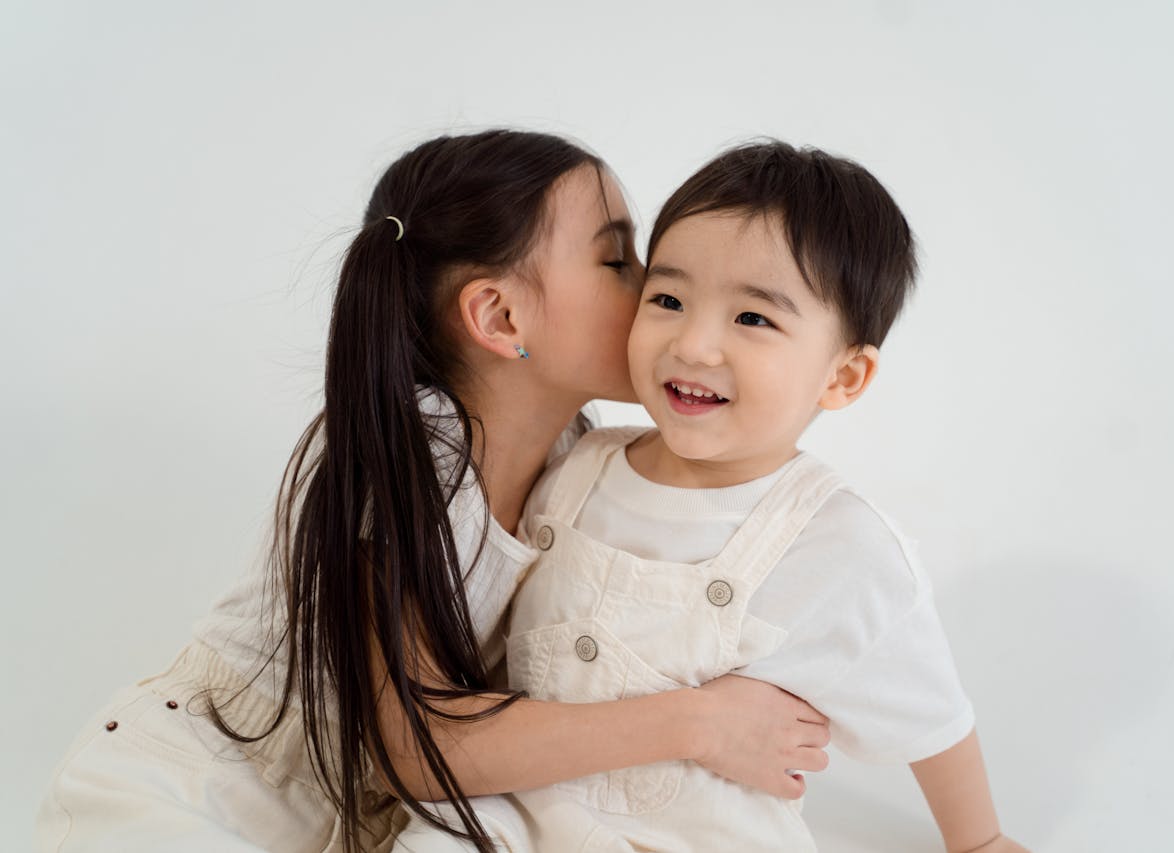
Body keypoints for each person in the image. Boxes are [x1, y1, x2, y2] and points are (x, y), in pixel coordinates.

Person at [34, 130, 832, 853]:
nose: (654, 284)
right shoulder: (417, 440)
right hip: (198, 787)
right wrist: (700, 724)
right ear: (500, 316)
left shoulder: (581, 457)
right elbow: (422, 745)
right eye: (616, 260)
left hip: (373, 817)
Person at [501, 141, 1031, 852]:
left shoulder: (840, 543)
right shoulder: (577, 467)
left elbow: (933, 719)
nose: (693, 344)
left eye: (752, 318)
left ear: (842, 377)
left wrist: (980, 840)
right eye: (668, 299)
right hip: (508, 816)